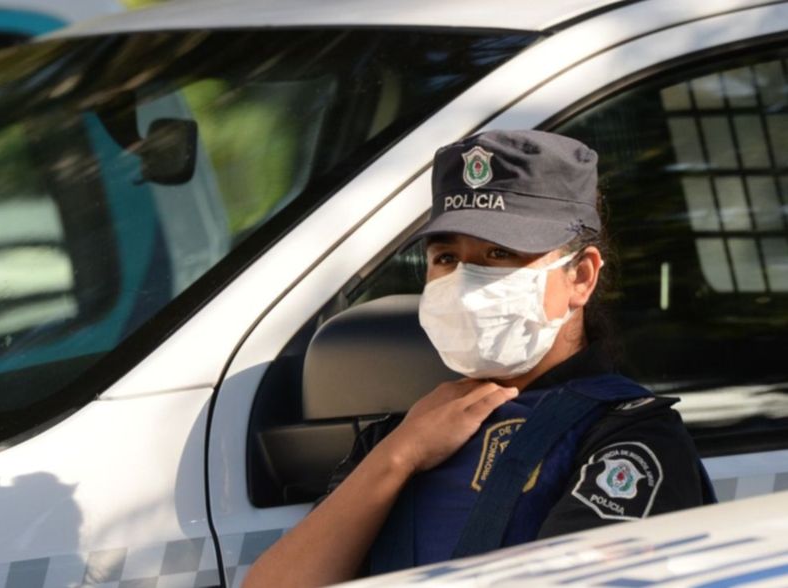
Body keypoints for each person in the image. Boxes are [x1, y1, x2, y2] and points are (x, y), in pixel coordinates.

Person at [244, 129, 714, 588]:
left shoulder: (631, 436)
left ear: (581, 277)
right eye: (446, 259)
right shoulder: (401, 435)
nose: (465, 284)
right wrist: (399, 456)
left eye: (499, 254)